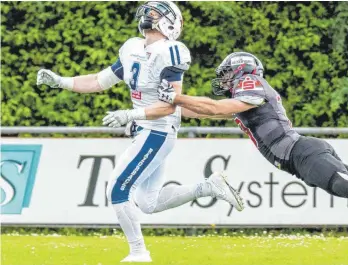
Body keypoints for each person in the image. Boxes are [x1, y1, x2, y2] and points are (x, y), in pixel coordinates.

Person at [36, 2, 243, 262]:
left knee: (117, 189)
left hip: (157, 130)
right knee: (149, 203)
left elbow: (170, 106)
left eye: (156, 13)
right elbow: (100, 80)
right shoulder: (133, 48)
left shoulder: (170, 52)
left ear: (171, 22)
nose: (149, 16)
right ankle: (208, 187)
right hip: (146, 129)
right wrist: (61, 81)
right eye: (148, 12)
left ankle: (138, 253)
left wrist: (130, 114)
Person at [157, 51, 348, 204]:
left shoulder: (251, 84)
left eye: (226, 74)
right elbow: (208, 112)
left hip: (301, 152)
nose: (223, 81)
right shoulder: (247, 92)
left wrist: (176, 96)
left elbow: (215, 107)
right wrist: (173, 107)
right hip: (302, 154)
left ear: (240, 71)